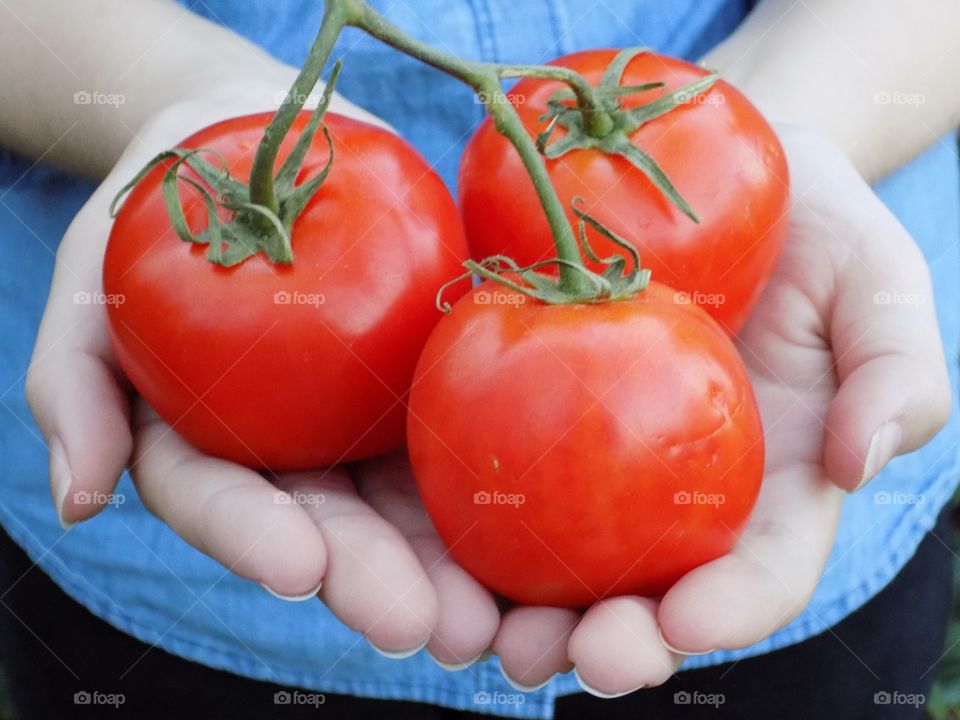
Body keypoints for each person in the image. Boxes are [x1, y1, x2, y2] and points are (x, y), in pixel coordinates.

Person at [1, 0, 958, 717]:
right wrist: (160, 88)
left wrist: (808, 113)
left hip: (810, 587)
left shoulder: (687, 169)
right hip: (180, 600)